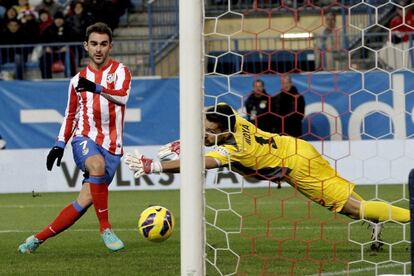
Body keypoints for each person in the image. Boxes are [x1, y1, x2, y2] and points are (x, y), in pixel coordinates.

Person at [124, 103, 410, 251]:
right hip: (297, 147)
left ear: (222, 133)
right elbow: (211, 115)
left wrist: (155, 168)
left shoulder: (233, 150)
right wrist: (184, 140)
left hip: (297, 167)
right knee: (345, 200)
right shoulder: (233, 118)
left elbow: (199, 162)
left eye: (208, 132)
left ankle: (408, 216)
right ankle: (374, 221)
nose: (204, 134)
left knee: (348, 206)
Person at [18, 22, 132, 253]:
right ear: (86, 46)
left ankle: (36, 240)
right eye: (93, 44)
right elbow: (71, 115)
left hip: (113, 146)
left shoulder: (121, 72)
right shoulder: (76, 80)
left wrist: (96, 87)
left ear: (111, 46)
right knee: (96, 165)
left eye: (103, 44)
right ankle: (106, 229)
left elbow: (123, 98)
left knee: (84, 200)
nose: (98, 49)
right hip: (85, 138)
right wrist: (59, 145)